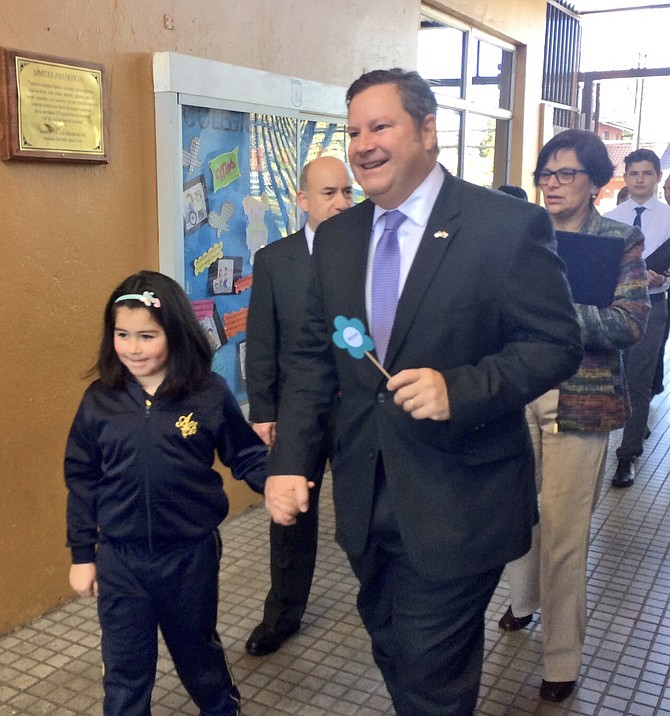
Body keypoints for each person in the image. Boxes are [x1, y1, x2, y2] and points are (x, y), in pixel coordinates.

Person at [263, 68, 584, 715]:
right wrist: (291, 462)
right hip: (366, 496)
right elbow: (312, 361)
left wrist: (458, 389)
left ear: (427, 130)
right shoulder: (339, 237)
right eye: (354, 130)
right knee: (392, 642)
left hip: (459, 500)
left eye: (380, 126)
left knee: (430, 669)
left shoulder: (505, 226)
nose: (363, 143)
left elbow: (557, 343)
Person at [64, 270, 268, 716]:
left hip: (189, 556)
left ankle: (222, 708)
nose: (133, 347)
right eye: (122, 334)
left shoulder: (208, 394)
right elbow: (81, 478)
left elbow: (245, 452)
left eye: (146, 335)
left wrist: (275, 483)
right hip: (121, 559)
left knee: (198, 656)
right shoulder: (100, 401)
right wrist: (83, 553)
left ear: (174, 334)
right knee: (125, 668)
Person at [499, 129, 649, 703]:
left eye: (566, 174)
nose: (552, 184)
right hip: (516, 393)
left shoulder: (618, 240)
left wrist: (555, 315)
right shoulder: (519, 233)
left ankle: (561, 655)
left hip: (581, 401)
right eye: (546, 173)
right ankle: (523, 599)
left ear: (595, 184)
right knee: (516, 512)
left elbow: (630, 323)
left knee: (565, 531)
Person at [244, 156, 354, 656]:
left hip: (357, 411)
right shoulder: (274, 260)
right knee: (290, 518)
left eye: (347, 192)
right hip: (296, 413)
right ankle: (283, 614)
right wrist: (263, 411)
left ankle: (383, 606)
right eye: (328, 193)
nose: (341, 203)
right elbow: (262, 340)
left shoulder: (372, 252)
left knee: (367, 512)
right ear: (303, 200)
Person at [605, 149, 670, 487]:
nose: (640, 179)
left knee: (638, 382)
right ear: (626, 177)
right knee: (610, 379)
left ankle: (626, 456)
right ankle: (598, 446)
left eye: (647, 173)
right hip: (615, 308)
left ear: (658, 177)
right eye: (634, 173)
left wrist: (665, 278)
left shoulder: (669, 217)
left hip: (654, 307)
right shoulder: (611, 217)